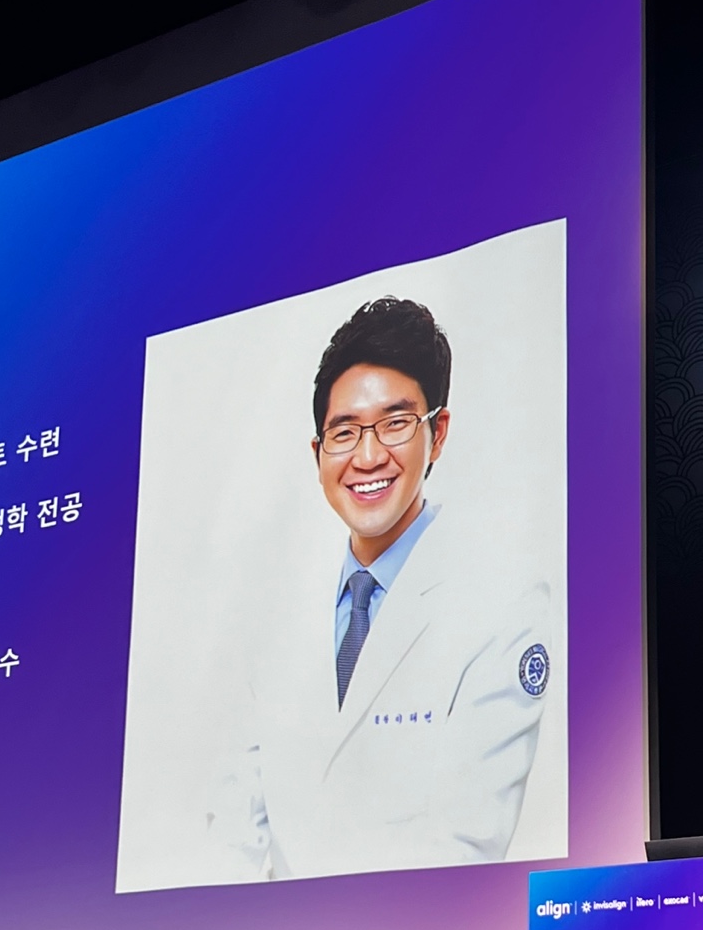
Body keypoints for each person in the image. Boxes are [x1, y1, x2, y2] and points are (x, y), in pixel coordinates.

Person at [208, 296, 554, 881]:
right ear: (318, 453)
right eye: (344, 432)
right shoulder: (272, 611)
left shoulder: (504, 602)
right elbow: (231, 834)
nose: (368, 457)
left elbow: (466, 845)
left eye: (395, 424)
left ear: (437, 434)